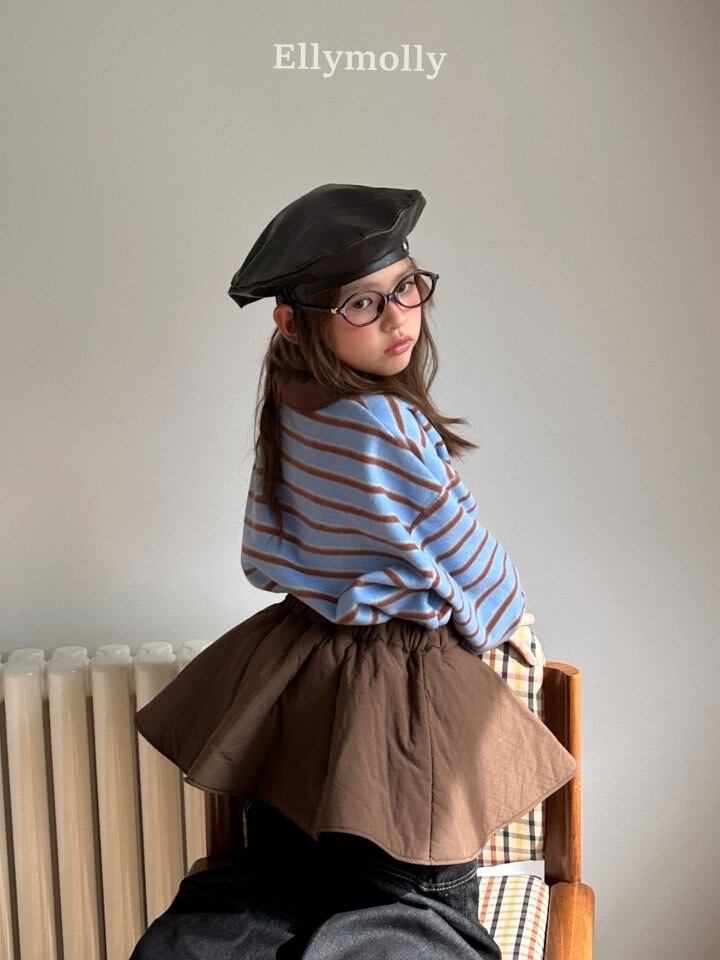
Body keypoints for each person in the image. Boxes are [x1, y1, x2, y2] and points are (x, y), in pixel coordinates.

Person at [129, 182, 577, 958]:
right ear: (293, 321)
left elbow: (264, 549)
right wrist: (496, 633)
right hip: (402, 701)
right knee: (413, 907)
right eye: (363, 304)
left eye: (406, 287)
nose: (399, 317)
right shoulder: (390, 423)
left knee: (278, 879)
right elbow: (476, 567)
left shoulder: (289, 396)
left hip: (307, 673)